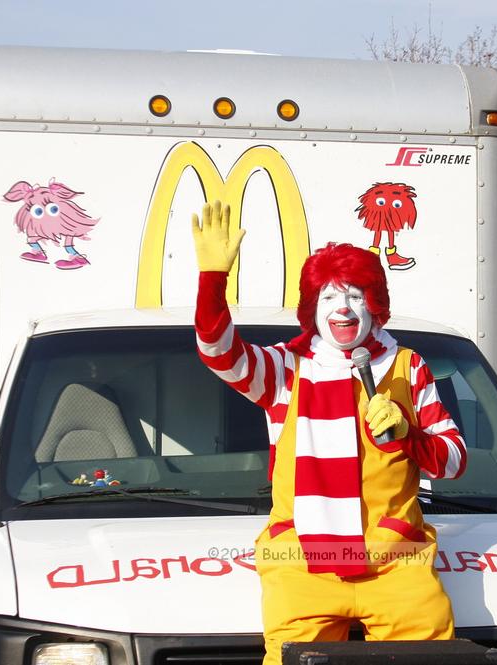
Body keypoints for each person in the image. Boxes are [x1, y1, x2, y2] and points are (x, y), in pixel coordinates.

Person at [191, 201, 466, 665]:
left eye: (356, 295)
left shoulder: (407, 365)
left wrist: (408, 434)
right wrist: (212, 282)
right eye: (330, 297)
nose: (343, 308)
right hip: (300, 568)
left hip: (397, 565)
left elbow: (455, 460)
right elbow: (219, 354)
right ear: (311, 309)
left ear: (375, 307)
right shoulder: (284, 368)